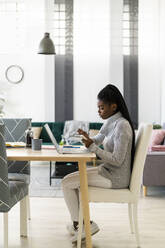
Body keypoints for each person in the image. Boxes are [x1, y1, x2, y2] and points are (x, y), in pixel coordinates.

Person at [62, 84, 135, 243]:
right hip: (106, 171)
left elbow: (117, 160)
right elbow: (99, 138)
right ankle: (81, 224)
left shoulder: (122, 125)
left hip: (115, 177)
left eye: (102, 108)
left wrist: (93, 147)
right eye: (98, 108)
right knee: (69, 181)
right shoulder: (112, 121)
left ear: (113, 106)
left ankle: (82, 225)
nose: (99, 111)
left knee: (67, 183)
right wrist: (87, 138)